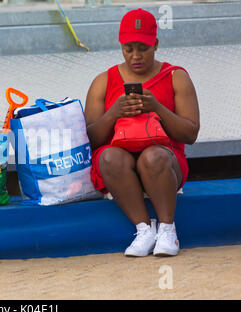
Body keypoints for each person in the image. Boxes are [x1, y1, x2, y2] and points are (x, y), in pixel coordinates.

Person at [85, 8, 200, 257]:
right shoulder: (103, 81)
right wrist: (114, 112)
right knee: (108, 157)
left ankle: (168, 230)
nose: (136, 56)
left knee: (152, 156)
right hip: (121, 166)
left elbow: (190, 134)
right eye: (129, 49)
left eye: (143, 48)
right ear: (121, 46)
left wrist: (157, 108)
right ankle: (145, 229)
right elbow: (92, 139)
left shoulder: (175, 76)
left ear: (155, 44)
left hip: (164, 163)